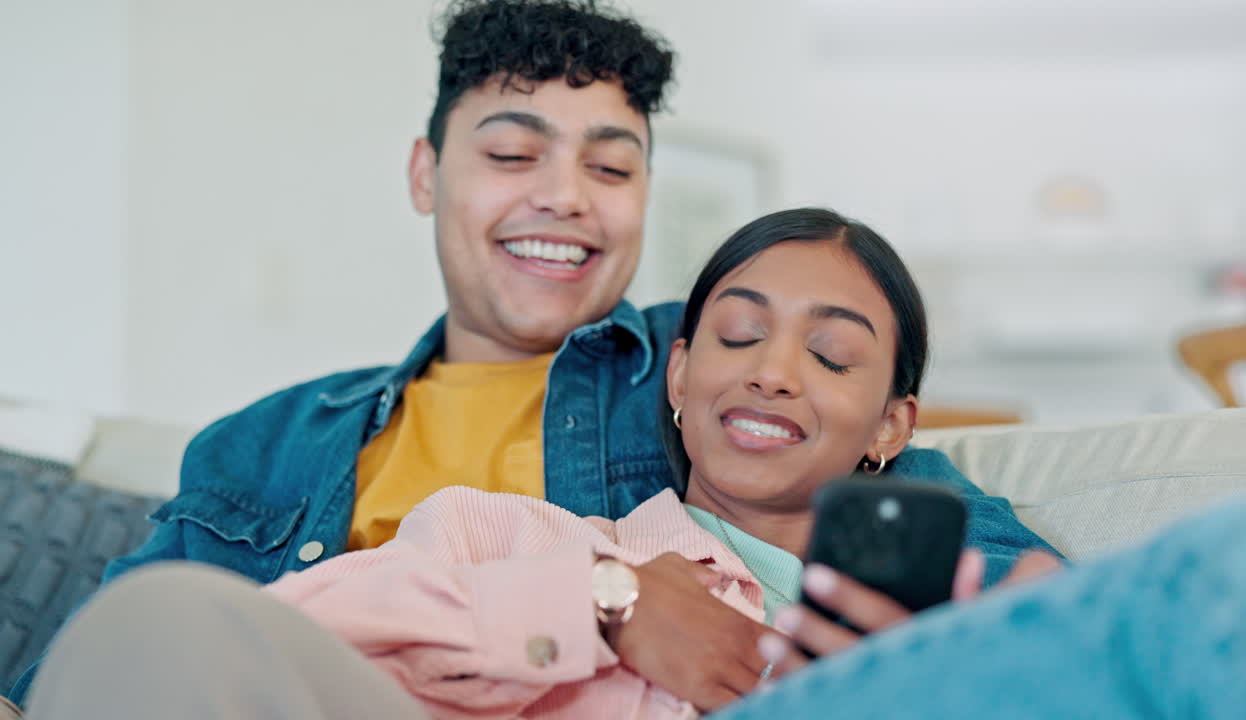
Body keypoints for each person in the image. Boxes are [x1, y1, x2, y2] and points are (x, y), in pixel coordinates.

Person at [8, 0, 1052, 709]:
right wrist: (609, 595)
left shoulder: (703, 381)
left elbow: (940, 546)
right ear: (426, 173)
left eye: (611, 165)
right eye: (512, 154)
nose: (562, 195)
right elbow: (108, 665)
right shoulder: (264, 444)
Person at [23, 208, 1060, 719]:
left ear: (893, 425)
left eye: (829, 355)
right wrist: (599, 599)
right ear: (678, 376)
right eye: (738, 339)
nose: (774, 374)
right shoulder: (531, 539)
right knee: (156, 618)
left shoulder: (942, 623)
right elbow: (274, 635)